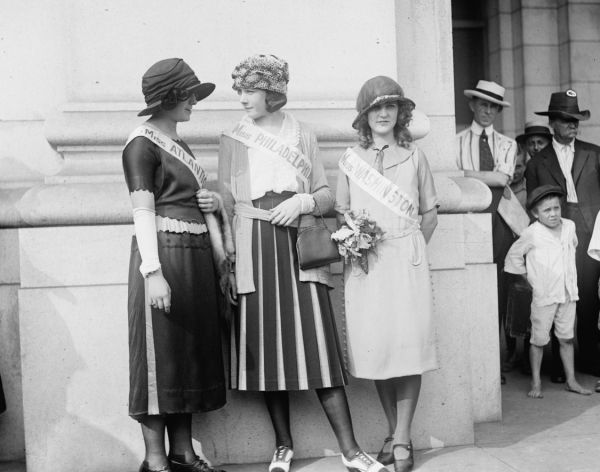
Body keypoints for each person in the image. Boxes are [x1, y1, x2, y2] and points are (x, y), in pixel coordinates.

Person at [218, 54, 385, 472]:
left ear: (272, 93)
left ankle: (350, 450)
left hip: (299, 246)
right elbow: (225, 202)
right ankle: (283, 446)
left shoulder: (301, 134)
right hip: (254, 244)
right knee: (266, 345)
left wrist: (304, 200)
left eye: (249, 90)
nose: (241, 99)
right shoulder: (233, 137)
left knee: (318, 345)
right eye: (240, 90)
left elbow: (327, 194)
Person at [122, 58, 230, 472]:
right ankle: (155, 461)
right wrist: (153, 273)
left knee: (186, 355)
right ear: (167, 98)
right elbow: (143, 211)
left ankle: (183, 453)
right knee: (158, 358)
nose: (193, 103)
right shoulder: (141, 144)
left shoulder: (179, 145)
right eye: (187, 96)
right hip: (163, 256)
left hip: (194, 258)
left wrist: (213, 202)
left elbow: (196, 198)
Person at [336, 76, 438, 472]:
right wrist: (357, 240)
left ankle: (402, 438)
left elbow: (429, 213)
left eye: (391, 107)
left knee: (408, 349)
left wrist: (410, 247)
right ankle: (394, 433)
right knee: (377, 351)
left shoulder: (415, 157)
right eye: (376, 108)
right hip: (367, 263)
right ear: (364, 115)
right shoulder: (350, 159)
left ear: (401, 113)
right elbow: (343, 212)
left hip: (405, 260)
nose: (383, 114)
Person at [526, 89, 600, 377]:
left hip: (590, 232)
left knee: (589, 299)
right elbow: (533, 203)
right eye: (567, 120)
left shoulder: (593, 153)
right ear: (552, 124)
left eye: (576, 119)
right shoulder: (537, 162)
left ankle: (590, 360)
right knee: (559, 296)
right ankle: (558, 365)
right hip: (555, 236)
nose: (573, 125)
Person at [456, 80, 518, 384]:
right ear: (472, 105)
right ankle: (470, 365)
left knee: (499, 290)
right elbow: (489, 178)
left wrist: (468, 174)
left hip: (500, 220)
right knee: (468, 289)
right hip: (469, 218)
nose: (488, 111)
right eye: (483, 104)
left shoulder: (507, 144)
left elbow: (503, 177)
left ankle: (494, 364)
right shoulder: (455, 142)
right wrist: (488, 177)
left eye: (494, 106)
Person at [504, 185, 592, 398]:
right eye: (546, 210)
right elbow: (513, 258)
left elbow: (572, 248)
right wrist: (528, 279)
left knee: (566, 338)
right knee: (538, 340)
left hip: (568, 293)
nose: (553, 214)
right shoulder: (531, 233)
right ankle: (536, 383)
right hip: (544, 296)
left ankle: (571, 380)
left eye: (556, 208)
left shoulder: (569, 227)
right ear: (535, 213)